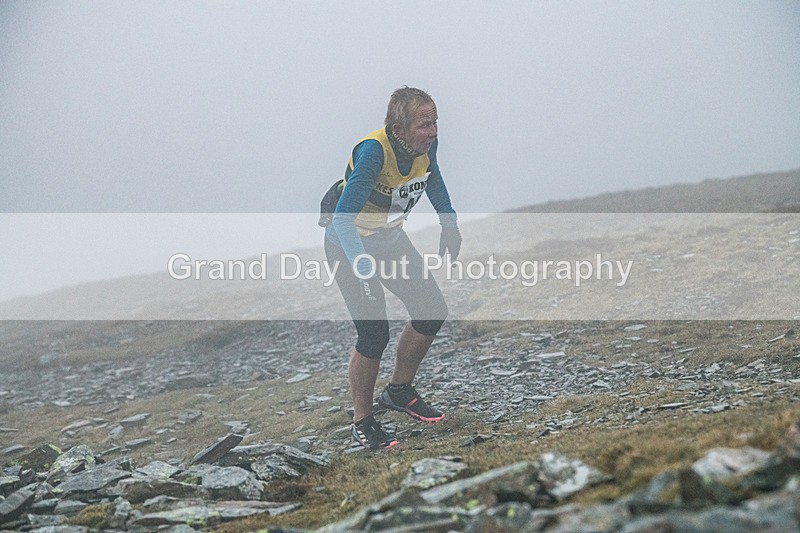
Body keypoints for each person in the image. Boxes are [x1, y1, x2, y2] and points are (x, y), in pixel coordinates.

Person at [323, 87, 461, 449]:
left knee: (431, 311)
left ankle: (398, 391)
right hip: (349, 245)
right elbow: (342, 219)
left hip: (388, 240)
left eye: (435, 122)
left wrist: (450, 224)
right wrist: (361, 263)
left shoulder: (424, 147)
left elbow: (434, 178)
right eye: (423, 125)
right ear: (398, 129)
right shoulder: (373, 153)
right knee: (373, 335)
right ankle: (362, 421)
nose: (433, 132)